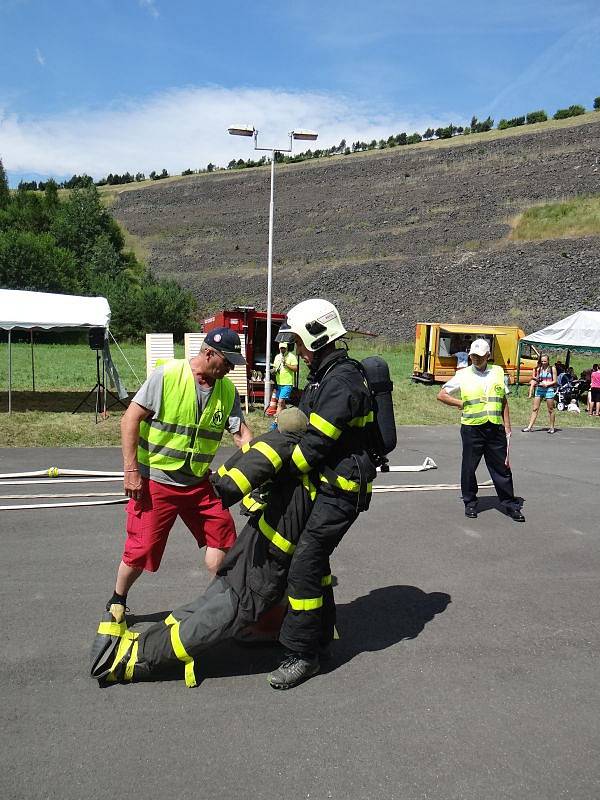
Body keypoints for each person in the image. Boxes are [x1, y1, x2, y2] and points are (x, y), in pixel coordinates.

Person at [90, 408, 326, 687]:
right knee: (223, 608)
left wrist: (217, 486)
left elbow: (248, 464)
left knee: (219, 603)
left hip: (256, 555)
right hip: (263, 560)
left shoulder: (278, 447)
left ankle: (138, 652)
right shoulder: (303, 463)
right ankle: (138, 656)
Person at [266, 299, 378, 690]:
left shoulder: (342, 381)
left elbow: (314, 446)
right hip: (328, 485)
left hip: (342, 491)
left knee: (304, 565)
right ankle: (321, 636)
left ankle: (303, 654)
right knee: (315, 563)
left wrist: (271, 475)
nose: (296, 348)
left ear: (316, 336)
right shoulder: (325, 375)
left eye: (298, 340)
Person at [105, 327, 253, 623]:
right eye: (227, 362)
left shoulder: (226, 391)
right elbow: (129, 419)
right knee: (141, 548)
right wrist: (132, 471)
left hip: (199, 484)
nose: (231, 368)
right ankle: (118, 598)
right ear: (209, 353)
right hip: (156, 482)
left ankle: (217, 602)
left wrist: (263, 463)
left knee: (224, 537)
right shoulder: (168, 376)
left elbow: (242, 435)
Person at [437, 338, 525, 522]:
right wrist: (459, 403)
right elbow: (442, 395)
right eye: (473, 356)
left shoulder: (498, 372)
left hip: (494, 427)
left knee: (502, 468)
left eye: (479, 356)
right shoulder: (463, 374)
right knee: (469, 467)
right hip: (472, 428)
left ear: (488, 355)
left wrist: (507, 425)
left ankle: (510, 504)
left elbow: (503, 399)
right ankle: (470, 502)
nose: (475, 359)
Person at [522, 353, 557, 434]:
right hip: (539, 389)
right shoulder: (539, 369)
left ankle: (551, 427)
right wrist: (535, 380)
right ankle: (529, 427)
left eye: (545, 361)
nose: (543, 363)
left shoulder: (552, 369)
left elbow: (555, 381)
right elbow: (538, 379)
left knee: (550, 409)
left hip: (549, 389)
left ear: (548, 361)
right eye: (542, 361)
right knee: (535, 409)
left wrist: (547, 384)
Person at [272, 341, 298, 414]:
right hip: (279, 383)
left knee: (280, 402)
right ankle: (288, 414)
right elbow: (275, 367)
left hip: (287, 383)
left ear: (287, 348)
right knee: (281, 403)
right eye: (281, 348)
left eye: (284, 348)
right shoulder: (277, 357)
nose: (282, 350)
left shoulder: (291, 356)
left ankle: (276, 422)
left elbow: (296, 369)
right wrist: (273, 371)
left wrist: (286, 364)